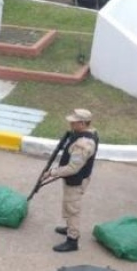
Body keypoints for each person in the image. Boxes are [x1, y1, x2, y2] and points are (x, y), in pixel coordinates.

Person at [43, 108, 99, 252]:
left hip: (76, 180)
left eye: (74, 123)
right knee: (69, 205)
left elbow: (73, 168)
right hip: (72, 179)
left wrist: (52, 173)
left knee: (72, 209)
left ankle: (72, 240)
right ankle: (69, 228)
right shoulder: (85, 133)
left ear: (82, 123)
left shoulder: (83, 145)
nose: (71, 125)